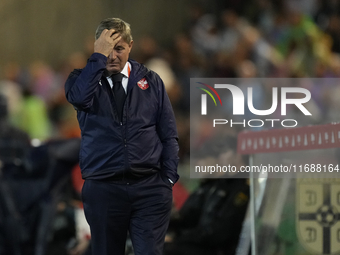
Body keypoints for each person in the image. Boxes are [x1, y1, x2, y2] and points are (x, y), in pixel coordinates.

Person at [64, 18, 179, 255]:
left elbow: (168, 134)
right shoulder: (81, 80)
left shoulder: (152, 81)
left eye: (119, 48)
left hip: (149, 189)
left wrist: (167, 179)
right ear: (96, 47)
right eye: (107, 49)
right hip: (103, 189)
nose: (112, 56)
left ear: (131, 46)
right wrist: (97, 59)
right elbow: (80, 99)